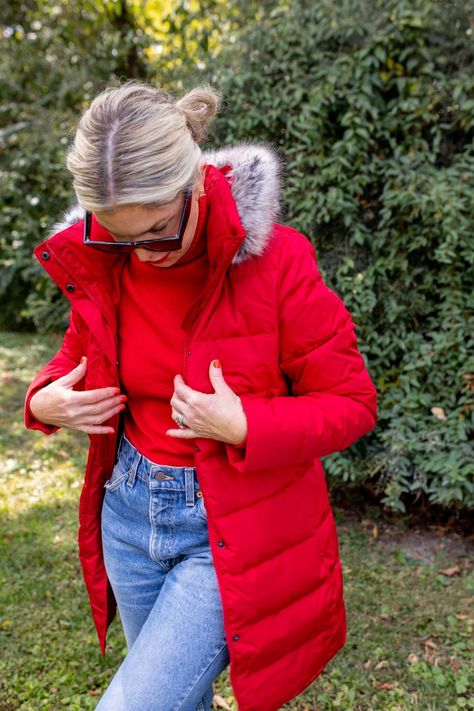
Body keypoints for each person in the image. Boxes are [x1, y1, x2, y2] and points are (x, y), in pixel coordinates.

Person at [24, 80, 378, 711]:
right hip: (126, 514)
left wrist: (247, 423)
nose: (141, 254)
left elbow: (352, 402)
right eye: (116, 235)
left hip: (228, 529)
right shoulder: (109, 259)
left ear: (194, 186)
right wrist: (44, 400)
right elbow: (74, 355)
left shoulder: (279, 262)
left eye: (157, 232)